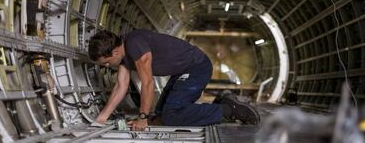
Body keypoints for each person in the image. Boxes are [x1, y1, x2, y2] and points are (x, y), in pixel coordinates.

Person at [88, 29, 260, 130]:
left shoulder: (134, 44)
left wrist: (142, 117)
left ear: (115, 52)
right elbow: (120, 86)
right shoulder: (124, 56)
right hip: (181, 72)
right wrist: (101, 119)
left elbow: (147, 82)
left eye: (107, 62)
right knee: (161, 117)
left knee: (172, 116)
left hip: (196, 67)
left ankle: (230, 110)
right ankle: (225, 101)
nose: (108, 66)